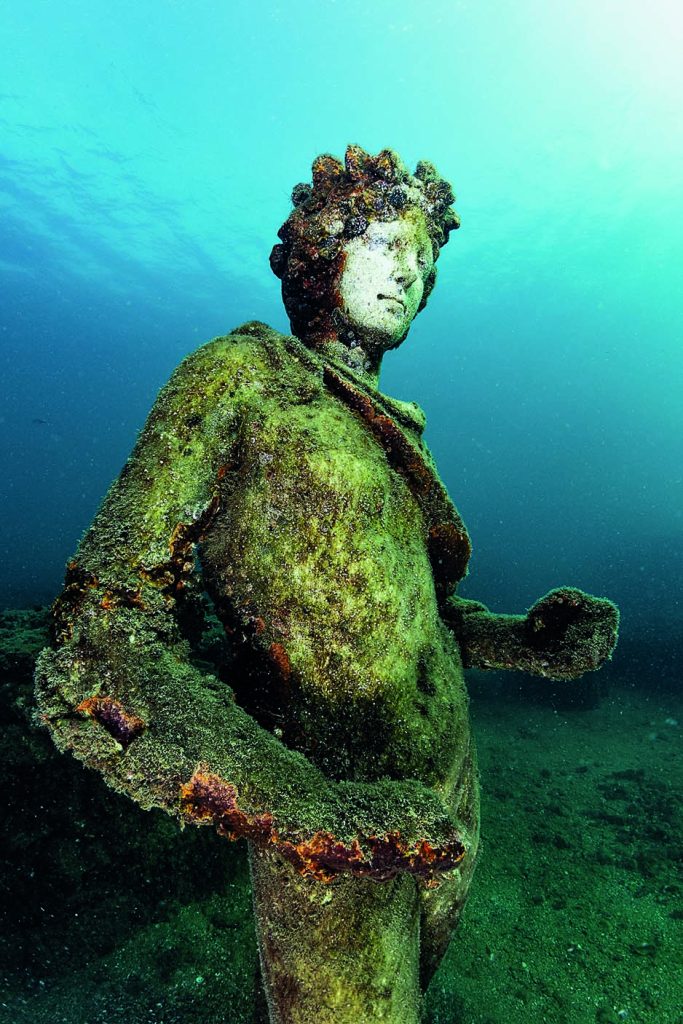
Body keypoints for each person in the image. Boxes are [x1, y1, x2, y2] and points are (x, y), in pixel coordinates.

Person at [35, 145, 618, 1024]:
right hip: (333, 794)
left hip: (449, 787)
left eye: (423, 260)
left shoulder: (393, 429)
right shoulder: (243, 378)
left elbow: (406, 612)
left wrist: (518, 641)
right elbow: (103, 625)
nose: (408, 274)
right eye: (385, 245)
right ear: (320, 253)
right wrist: (301, 809)